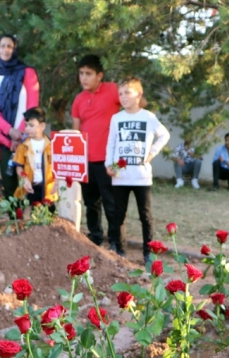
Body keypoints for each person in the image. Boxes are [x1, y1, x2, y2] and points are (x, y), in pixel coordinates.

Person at [105, 77, 170, 262]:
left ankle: (148, 253)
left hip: (141, 177)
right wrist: (109, 164)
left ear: (138, 94)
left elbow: (164, 135)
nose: (123, 97)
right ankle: (120, 251)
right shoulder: (117, 118)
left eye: (127, 92)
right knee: (119, 215)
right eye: (120, 93)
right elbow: (111, 143)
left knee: (145, 215)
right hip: (120, 176)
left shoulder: (148, 117)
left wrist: (151, 153)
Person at [71, 55, 121, 250]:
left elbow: (138, 103)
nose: (84, 78)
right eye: (81, 73)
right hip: (86, 161)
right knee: (91, 203)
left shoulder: (113, 89)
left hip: (108, 160)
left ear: (99, 75)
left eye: (88, 74)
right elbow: (75, 132)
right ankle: (95, 237)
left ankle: (116, 241)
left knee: (111, 203)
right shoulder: (79, 99)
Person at [0, 34, 39, 198]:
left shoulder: (28, 73)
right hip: (5, 142)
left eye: (9, 46)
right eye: (2, 46)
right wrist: (10, 131)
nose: (5, 49)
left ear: (15, 50)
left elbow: (32, 106)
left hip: (27, 138)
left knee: (29, 187)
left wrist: (19, 133)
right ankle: (16, 223)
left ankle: (31, 224)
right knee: (10, 190)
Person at [14, 107, 57, 207]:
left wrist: (57, 182)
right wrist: (25, 180)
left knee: (49, 215)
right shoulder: (23, 146)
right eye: (26, 125)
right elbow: (19, 166)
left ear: (42, 126)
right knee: (29, 213)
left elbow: (57, 167)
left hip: (48, 187)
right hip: (31, 186)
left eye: (31, 125)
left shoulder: (51, 145)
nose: (27, 128)